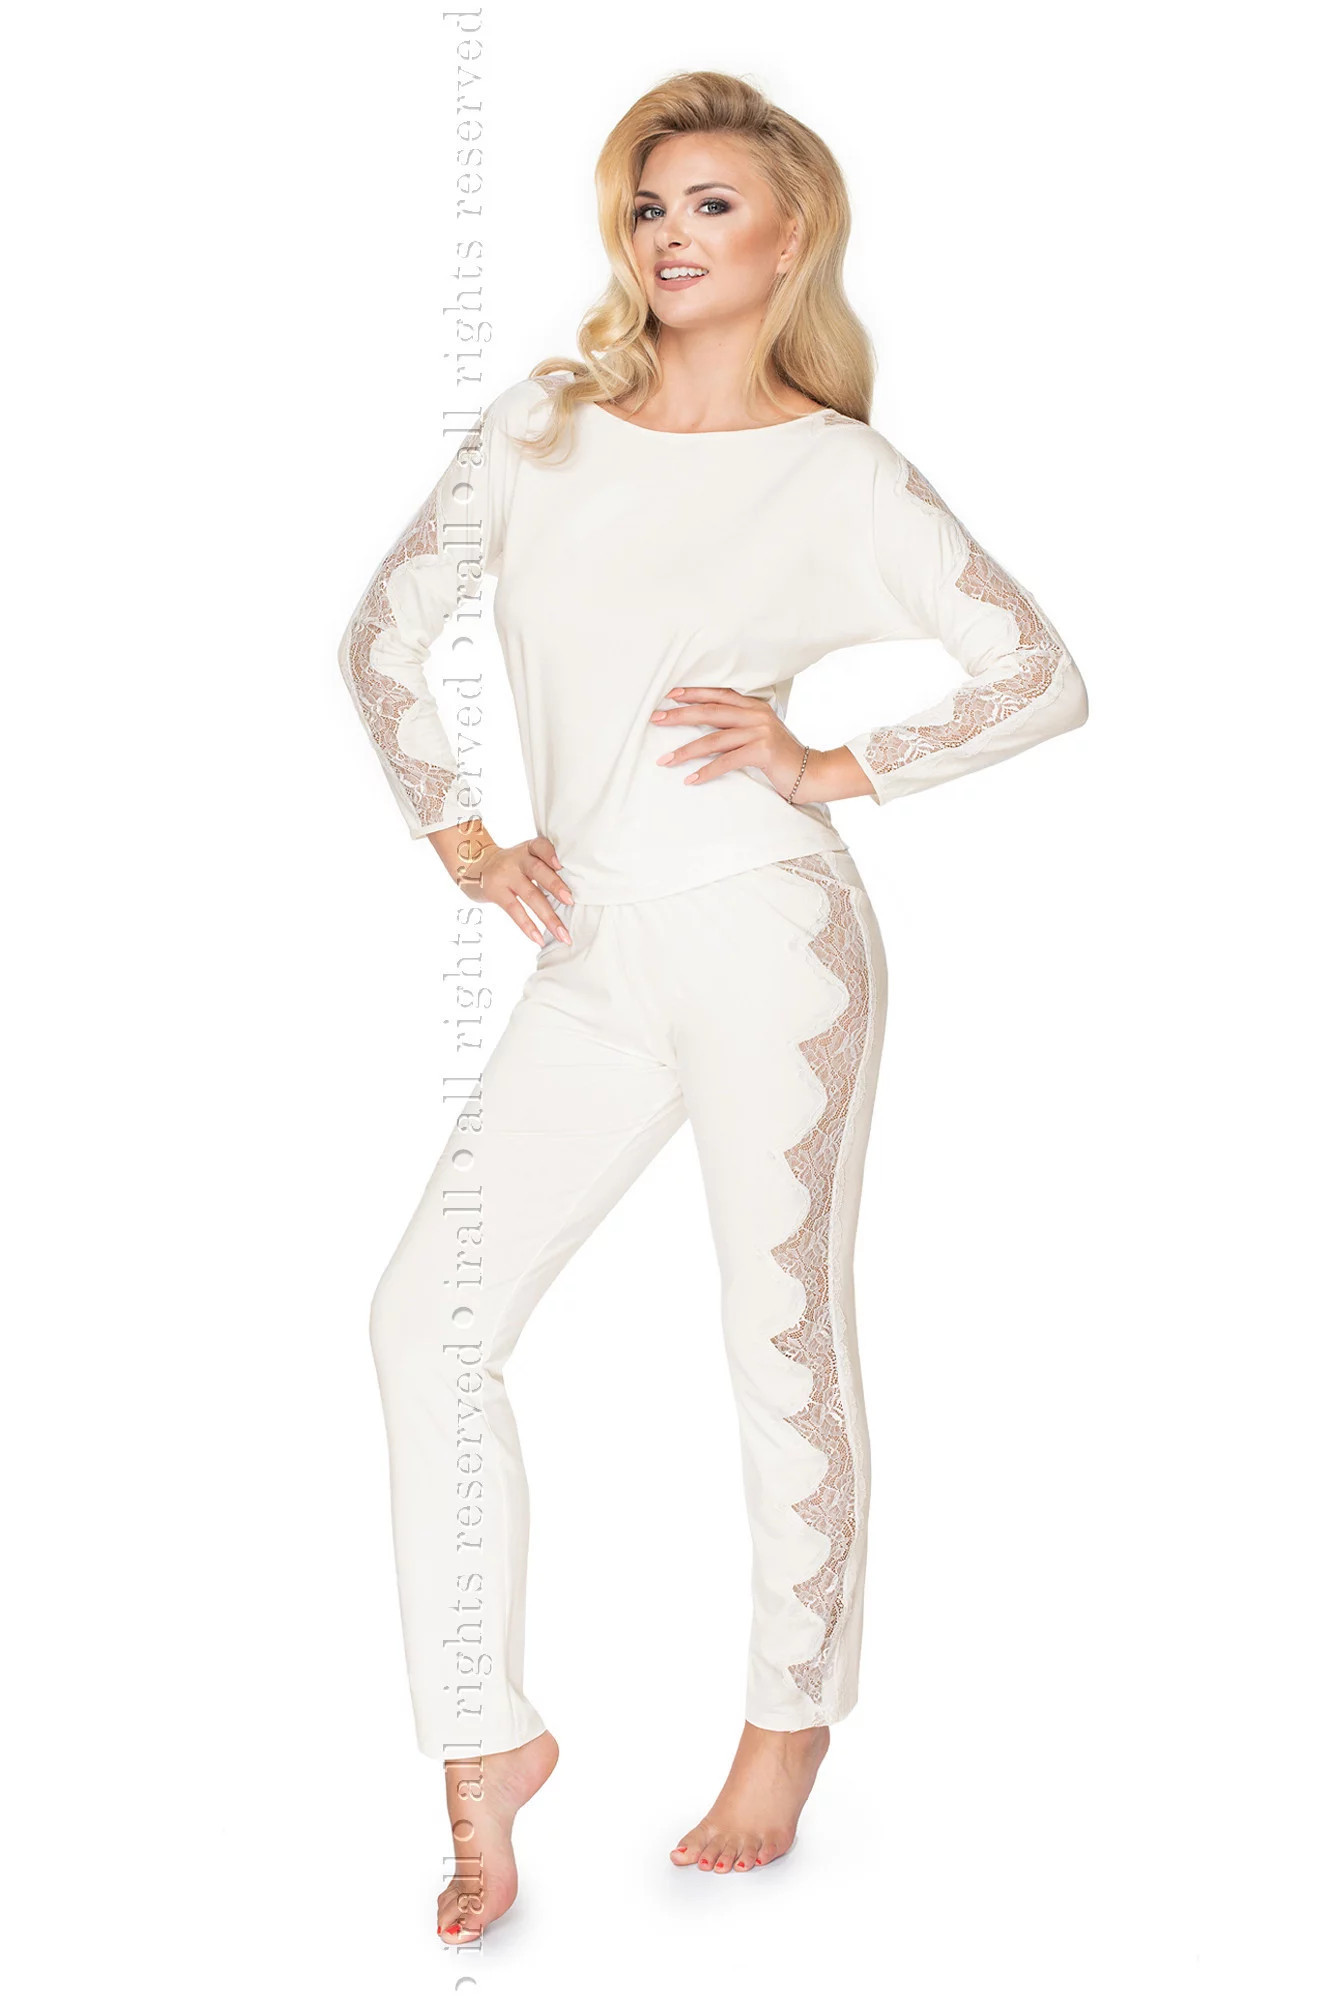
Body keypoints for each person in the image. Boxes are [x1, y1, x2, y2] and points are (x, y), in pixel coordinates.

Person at [336, 67, 1089, 1945]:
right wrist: (459, 833)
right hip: (594, 952)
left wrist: (833, 763)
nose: (669, 235)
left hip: (769, 934)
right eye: (649, 204)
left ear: (790, 234)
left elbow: (1036, 672)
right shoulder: (544, 426)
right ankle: (485, 1733)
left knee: (776, 1333)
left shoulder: (834, 471)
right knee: (425, 1320)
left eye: (711, 205)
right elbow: (381, 631)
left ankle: (785, 1720)